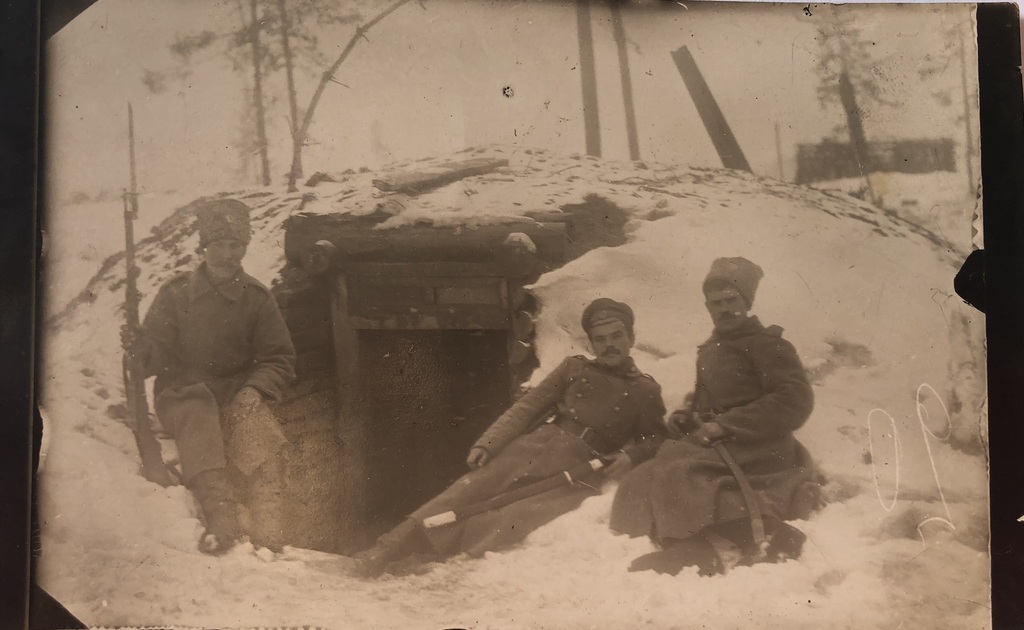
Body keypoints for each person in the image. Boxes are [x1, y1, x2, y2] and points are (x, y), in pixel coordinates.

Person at [352, 298, 668, 577]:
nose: (608, 345)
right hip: (537, 446)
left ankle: (436, 561)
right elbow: (526, 408)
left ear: (631, 338)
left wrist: (632, 456)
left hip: (576, 473)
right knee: (464, 493)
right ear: (591, 345)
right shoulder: (574, 369)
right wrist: (489, 443)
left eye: (616, 336)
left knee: (512, 516)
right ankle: (385, 550)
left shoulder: (645, 390)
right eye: (600, 339)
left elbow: (656, 438)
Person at [610, 257, 823, 576]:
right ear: (708, 307)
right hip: (723, 444)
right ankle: (672, 539)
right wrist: (688, 414)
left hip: (762, 447)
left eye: (731, 301)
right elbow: (712, 398)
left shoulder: (767, 344)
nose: (723, 309)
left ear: (747, 302)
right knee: (643, 476)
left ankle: (698, 548)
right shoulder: (712, 348)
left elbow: (795, 399)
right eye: (716, 303)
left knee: (680, 472)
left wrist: (725, 425)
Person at [121, 198, 297, 555]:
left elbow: (279, 359)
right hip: (182, 391)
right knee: (199, 411)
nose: (227, 254)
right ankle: (221, 518)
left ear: (245, 247)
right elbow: (153, 358)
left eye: (236, 245)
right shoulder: (176, 293)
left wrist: (254, 389)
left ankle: (269, 526)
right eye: (218, 244)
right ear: (204, 246)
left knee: (258, 428)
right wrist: (140, 348)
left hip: (234, 391)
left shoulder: (258, 299)